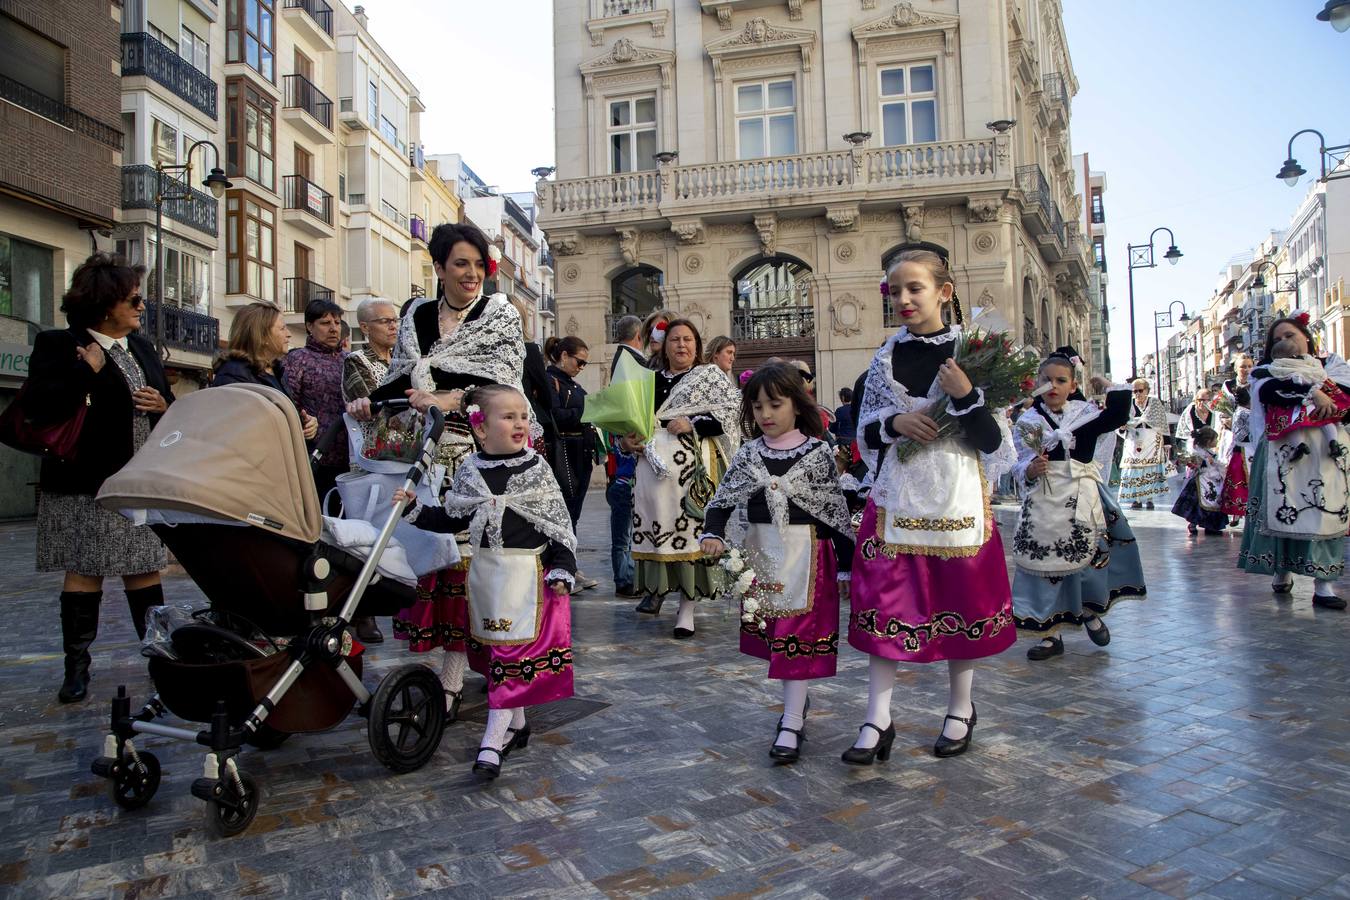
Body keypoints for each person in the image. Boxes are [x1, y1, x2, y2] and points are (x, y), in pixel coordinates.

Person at [351, 221, 530, 716]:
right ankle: (431, 675)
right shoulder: (418, 314)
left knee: (464, 569)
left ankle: (451, 684)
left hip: (472, 458)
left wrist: (448, 397)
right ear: (438, 268)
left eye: (478, 264)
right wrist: (369, 402)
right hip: (421, 456)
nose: (472, 274)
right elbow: (401, 377)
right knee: (428, 564)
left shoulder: (498, 314)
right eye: (461, 264)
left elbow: (503, 383)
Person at [848, 242, 1016, 764]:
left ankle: (960, 708)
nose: (903, 298)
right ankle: (878, 717)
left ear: (943, 292)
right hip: (896, 500)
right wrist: (893, 423)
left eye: (914, 288)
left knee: (959, 601)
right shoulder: (884, 358)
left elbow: (994, 443)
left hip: (957, 499)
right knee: (883, 603)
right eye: (895, 290)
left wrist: (966, 394)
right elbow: (863, 434)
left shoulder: (976, 353)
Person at [395, 385, 575, 779]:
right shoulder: (472, 471)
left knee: (511, 658)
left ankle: (492, 741)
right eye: (508, 417)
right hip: (487, 579)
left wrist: (563, 568)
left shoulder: (536, 469)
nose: (519, 423)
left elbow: (558, 526)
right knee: (500, 656)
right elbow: (454, 516)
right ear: (481, 427)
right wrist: (415, 512)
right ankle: (518, 723)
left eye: (523, 416)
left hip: (529, 583)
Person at [25, 253, 174, 703]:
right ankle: (77, 667)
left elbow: (166, 398)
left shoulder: (142, 347)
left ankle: (161, 659)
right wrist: (84, 371)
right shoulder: (59, 344)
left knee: (145, 569)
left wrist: (163, 405)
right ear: (106, 303)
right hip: (86, 482)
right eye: (133, 298)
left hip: (138, 479)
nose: (141, 305)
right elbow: (44, 408)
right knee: (85, 571)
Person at [700, 365, 854, 763]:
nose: (765, 414)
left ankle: (790, 721)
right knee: (778, 638)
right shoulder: (750, 454)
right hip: (762, 556)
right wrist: (713, 533)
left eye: (775, 404)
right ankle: (795, 704)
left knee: (796, 640)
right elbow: (721, 500)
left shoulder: (817, 453)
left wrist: (846, 567)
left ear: (796, 404)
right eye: (757, 406)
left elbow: (833, 512)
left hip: (808, 558)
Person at [1010, 348, 1145, 660]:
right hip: (1044, 498)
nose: (1053, 386)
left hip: (1083, 495)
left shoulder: (1083, 415)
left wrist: (1110, 386)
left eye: (1061, 380)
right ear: (1037, 384)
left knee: (1087, 558)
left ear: (1072, 385)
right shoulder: (1028, 423)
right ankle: (1049, 632)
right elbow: (1018, 461)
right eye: (1047, 380)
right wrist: (1030, 469)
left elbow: (1117, 415)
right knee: (1044, 564)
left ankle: (1087, 609)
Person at [620, 319, 742, 638]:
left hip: (692, 471)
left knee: (690, 533)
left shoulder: (708, 376)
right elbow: (631, 421)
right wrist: (626, 440)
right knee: (659, 531)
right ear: (664, 343)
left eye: (688, 339)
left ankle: (687, 608)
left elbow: (730, 416)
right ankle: (659, 590)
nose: (681, 345)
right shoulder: (649, 379)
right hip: (650, 469)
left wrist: (694, 423)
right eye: (675, 339)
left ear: (697, 345)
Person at [1238, 316, 1350, 610]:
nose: (1284, 341)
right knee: (1284, 508)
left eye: (1290, 334)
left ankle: (1323, 585)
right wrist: (1315, 392)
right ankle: (1281, 569)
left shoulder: (1331, 365)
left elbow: (1347, 397)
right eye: (1276, 339)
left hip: (1324, 450)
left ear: (1306, 337)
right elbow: (1271, 392)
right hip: (1282, 448)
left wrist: (1325, 392)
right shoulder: (1266, 371)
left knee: (1323, 512)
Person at [212, 303, 322, 437]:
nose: (289, 334)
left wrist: (305, 424)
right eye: (282, 329)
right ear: (262, 336)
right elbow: (237, 431)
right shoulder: (233, 374)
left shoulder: (277, 370)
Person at [286, 298, 348, 508]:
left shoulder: (349, 360)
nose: (333, 329)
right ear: (309, 326)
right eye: (325, 323)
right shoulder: (298, 360)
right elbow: (289, 404)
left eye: (337, 323)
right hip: (314, 458)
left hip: (349, 459)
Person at [544, 336, 600, 569]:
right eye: (579, 362)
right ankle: (563, 566)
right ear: (564, 356)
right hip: (564, 451)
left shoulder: (573, 385)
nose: (581, 367)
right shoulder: (550, 381)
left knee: (573, 513)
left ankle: (569, 565)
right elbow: (554, 416)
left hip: (581, 453)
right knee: (565, 512)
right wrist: (585, 411)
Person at [606, 315, 644, 597]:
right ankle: (625, 578)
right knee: (623, 528)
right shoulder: (630, 361)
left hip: (625, 463)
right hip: (626, 466)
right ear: (639, 335)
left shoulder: (622, 359)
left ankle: (628, 575)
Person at [1118, 379, 1169, 510]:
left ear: (1147, 390)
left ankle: (1149, 498)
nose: (1137, 394)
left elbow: (1162, 423)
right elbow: (1120, 423)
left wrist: (1167, 443)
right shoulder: (1128, 404)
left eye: (1140, 390)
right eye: (1134, 391)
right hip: (1133, 441)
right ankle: (1136, 498)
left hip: (1151, 441)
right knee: (1134, 470)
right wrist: (1123, 427)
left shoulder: (1155, 403)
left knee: (1149, 469)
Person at [1219, 355, 1254, 525]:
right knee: (1234, 469)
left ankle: (1252, 508)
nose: (1246, 369)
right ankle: (1236, 511)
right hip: (1233, 434)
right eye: (1242, 366)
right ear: (1236, 369)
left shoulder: (1257, 383)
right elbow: (1220, 409)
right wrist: (1225, 419)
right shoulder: (1228, 387)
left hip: (1254, 435)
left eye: (1249, 366)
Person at [1172, 426, 1227, 535]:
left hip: (1213, 480)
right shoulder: (1198, 453)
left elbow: (1216, 464)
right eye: (1215, 439)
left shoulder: (1210, 452)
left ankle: (1211, 525)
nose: (1217, 441)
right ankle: (1193, 523)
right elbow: (1197, 465)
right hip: (1201, 481)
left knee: (1214, 502)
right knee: (1196, 504)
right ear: (1208, 441)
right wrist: (1205, 462)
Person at [342, 298, 400, 402]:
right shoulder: (356, 360)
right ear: (365, 327)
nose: (393, 326)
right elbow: (371, 407)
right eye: (385, 321)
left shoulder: (400, 360)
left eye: (395, 320)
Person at [1174, 387, 1215, 453]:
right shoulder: (1191, 410)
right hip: (1187, 442)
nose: (1201, 402)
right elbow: (1192, 431)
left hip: (1206, 444)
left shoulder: (1213, 412)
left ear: (1210, 400)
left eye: (1204, 400)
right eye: (1199, 400)